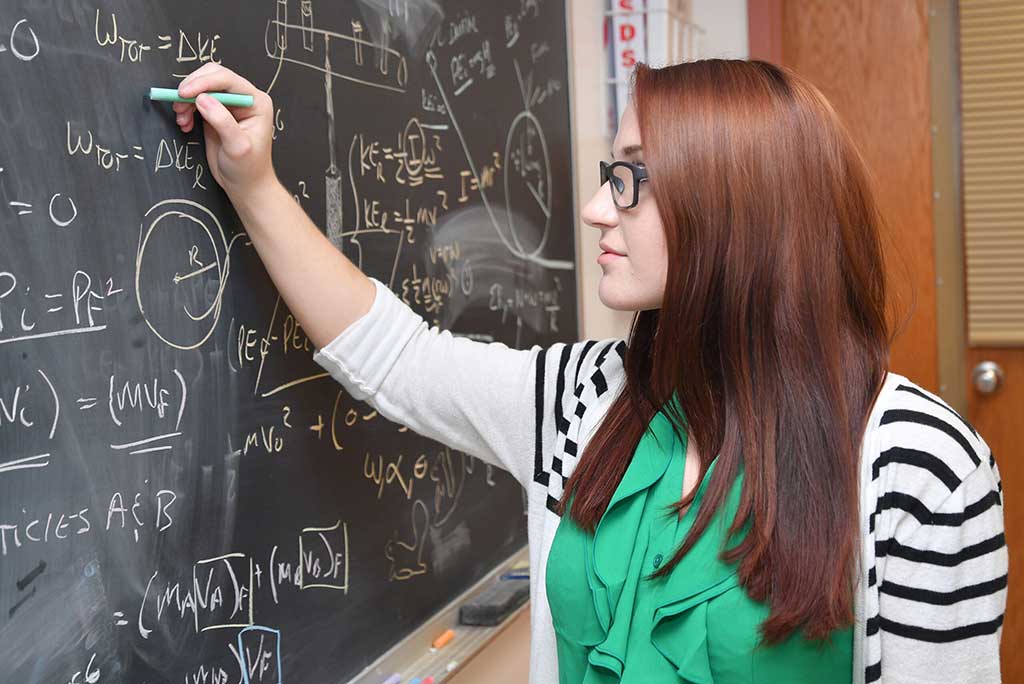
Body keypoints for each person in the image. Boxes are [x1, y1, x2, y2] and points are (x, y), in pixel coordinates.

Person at [172, 59, 1006, 684]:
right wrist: (253, 183)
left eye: (630, 179)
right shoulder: (586, 398)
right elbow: (397, 359)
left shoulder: (918, 466)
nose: (596, 208)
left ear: (735, 209)